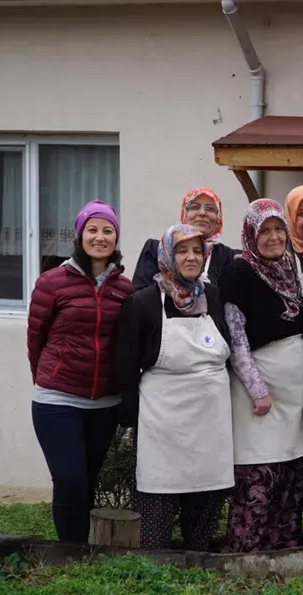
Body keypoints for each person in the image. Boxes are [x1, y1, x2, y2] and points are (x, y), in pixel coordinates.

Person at [116, 224, 233, 551]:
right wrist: (131, 419)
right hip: (162, 422)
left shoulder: (213, 297)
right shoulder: (142, 303)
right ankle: (156, 564)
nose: (191, 257)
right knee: (158, 498)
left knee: (207, 497)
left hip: (211, 420)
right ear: (167, 255)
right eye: (182, 250)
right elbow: (125, 366)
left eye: (197, 250)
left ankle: (199, 558)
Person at [27, 200, 134, 544]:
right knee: (69, 480)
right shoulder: (52, 283)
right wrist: (49, 377)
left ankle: (80, 551)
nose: (100, 237)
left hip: (105, 404)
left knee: (86, 481)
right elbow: (35, 338)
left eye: (108, 231)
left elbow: (126, 345)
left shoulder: (125, 289)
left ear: (115, 238)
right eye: (92, 229)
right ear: (80, 235)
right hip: (57, 401)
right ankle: (69, 552)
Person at [220, 199, 303, 552]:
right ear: (250, 234)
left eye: (278, 230)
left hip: (294, 396)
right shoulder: (238, 271)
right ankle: (247, 551)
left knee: (290, 472)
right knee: (259, 474)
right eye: (265, 231)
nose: (273, 238)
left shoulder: (291, 266)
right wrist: (257, 389)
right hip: (259, 393)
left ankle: (284, 549)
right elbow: (235, 335)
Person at [132, 188, 237, 289]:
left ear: (218, 219)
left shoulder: (230, 258)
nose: (202, 213)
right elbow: (139, 296)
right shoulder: (156, 251)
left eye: (210, 209)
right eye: (195, 207)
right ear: (184, 215)